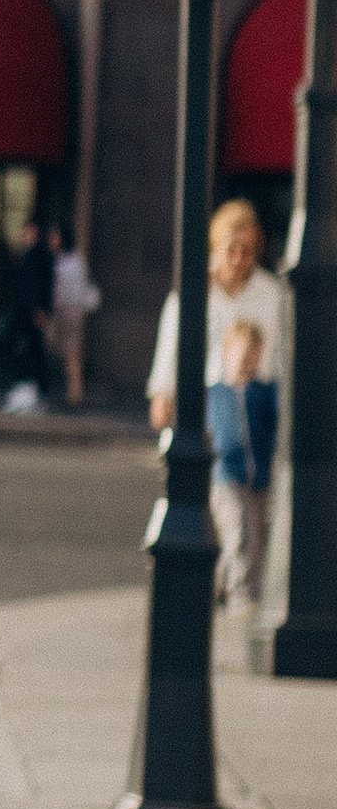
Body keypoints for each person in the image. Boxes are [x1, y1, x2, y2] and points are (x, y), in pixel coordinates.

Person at [148, 197, 290, 609]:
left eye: (247, 251)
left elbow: (280, 355)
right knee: (218, 496)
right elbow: (172, 344)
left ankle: (235, 576)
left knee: (254, 500)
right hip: (206, 404)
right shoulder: (194, 292)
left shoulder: (270, 293)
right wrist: (162, 392)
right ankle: (226, 578)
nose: (239, 259)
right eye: (231, 249)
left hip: (258, 404)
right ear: (215, 246)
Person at [3, 213, 54, 412]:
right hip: (26, 307)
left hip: (31, 309)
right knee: (27, 347)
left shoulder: (39, 255)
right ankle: (30, 389)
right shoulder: (32, 254)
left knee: (31, 349)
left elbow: (42, 285)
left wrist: (41, 309)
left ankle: (33, 391)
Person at [48, 228, 97, 410]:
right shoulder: (77, 260)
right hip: (75, 310)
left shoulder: (62, 261)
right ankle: (74, 392)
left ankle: (73, 393)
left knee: (68, 352)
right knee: (71, 352)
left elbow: (59, 290)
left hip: (65, 310)